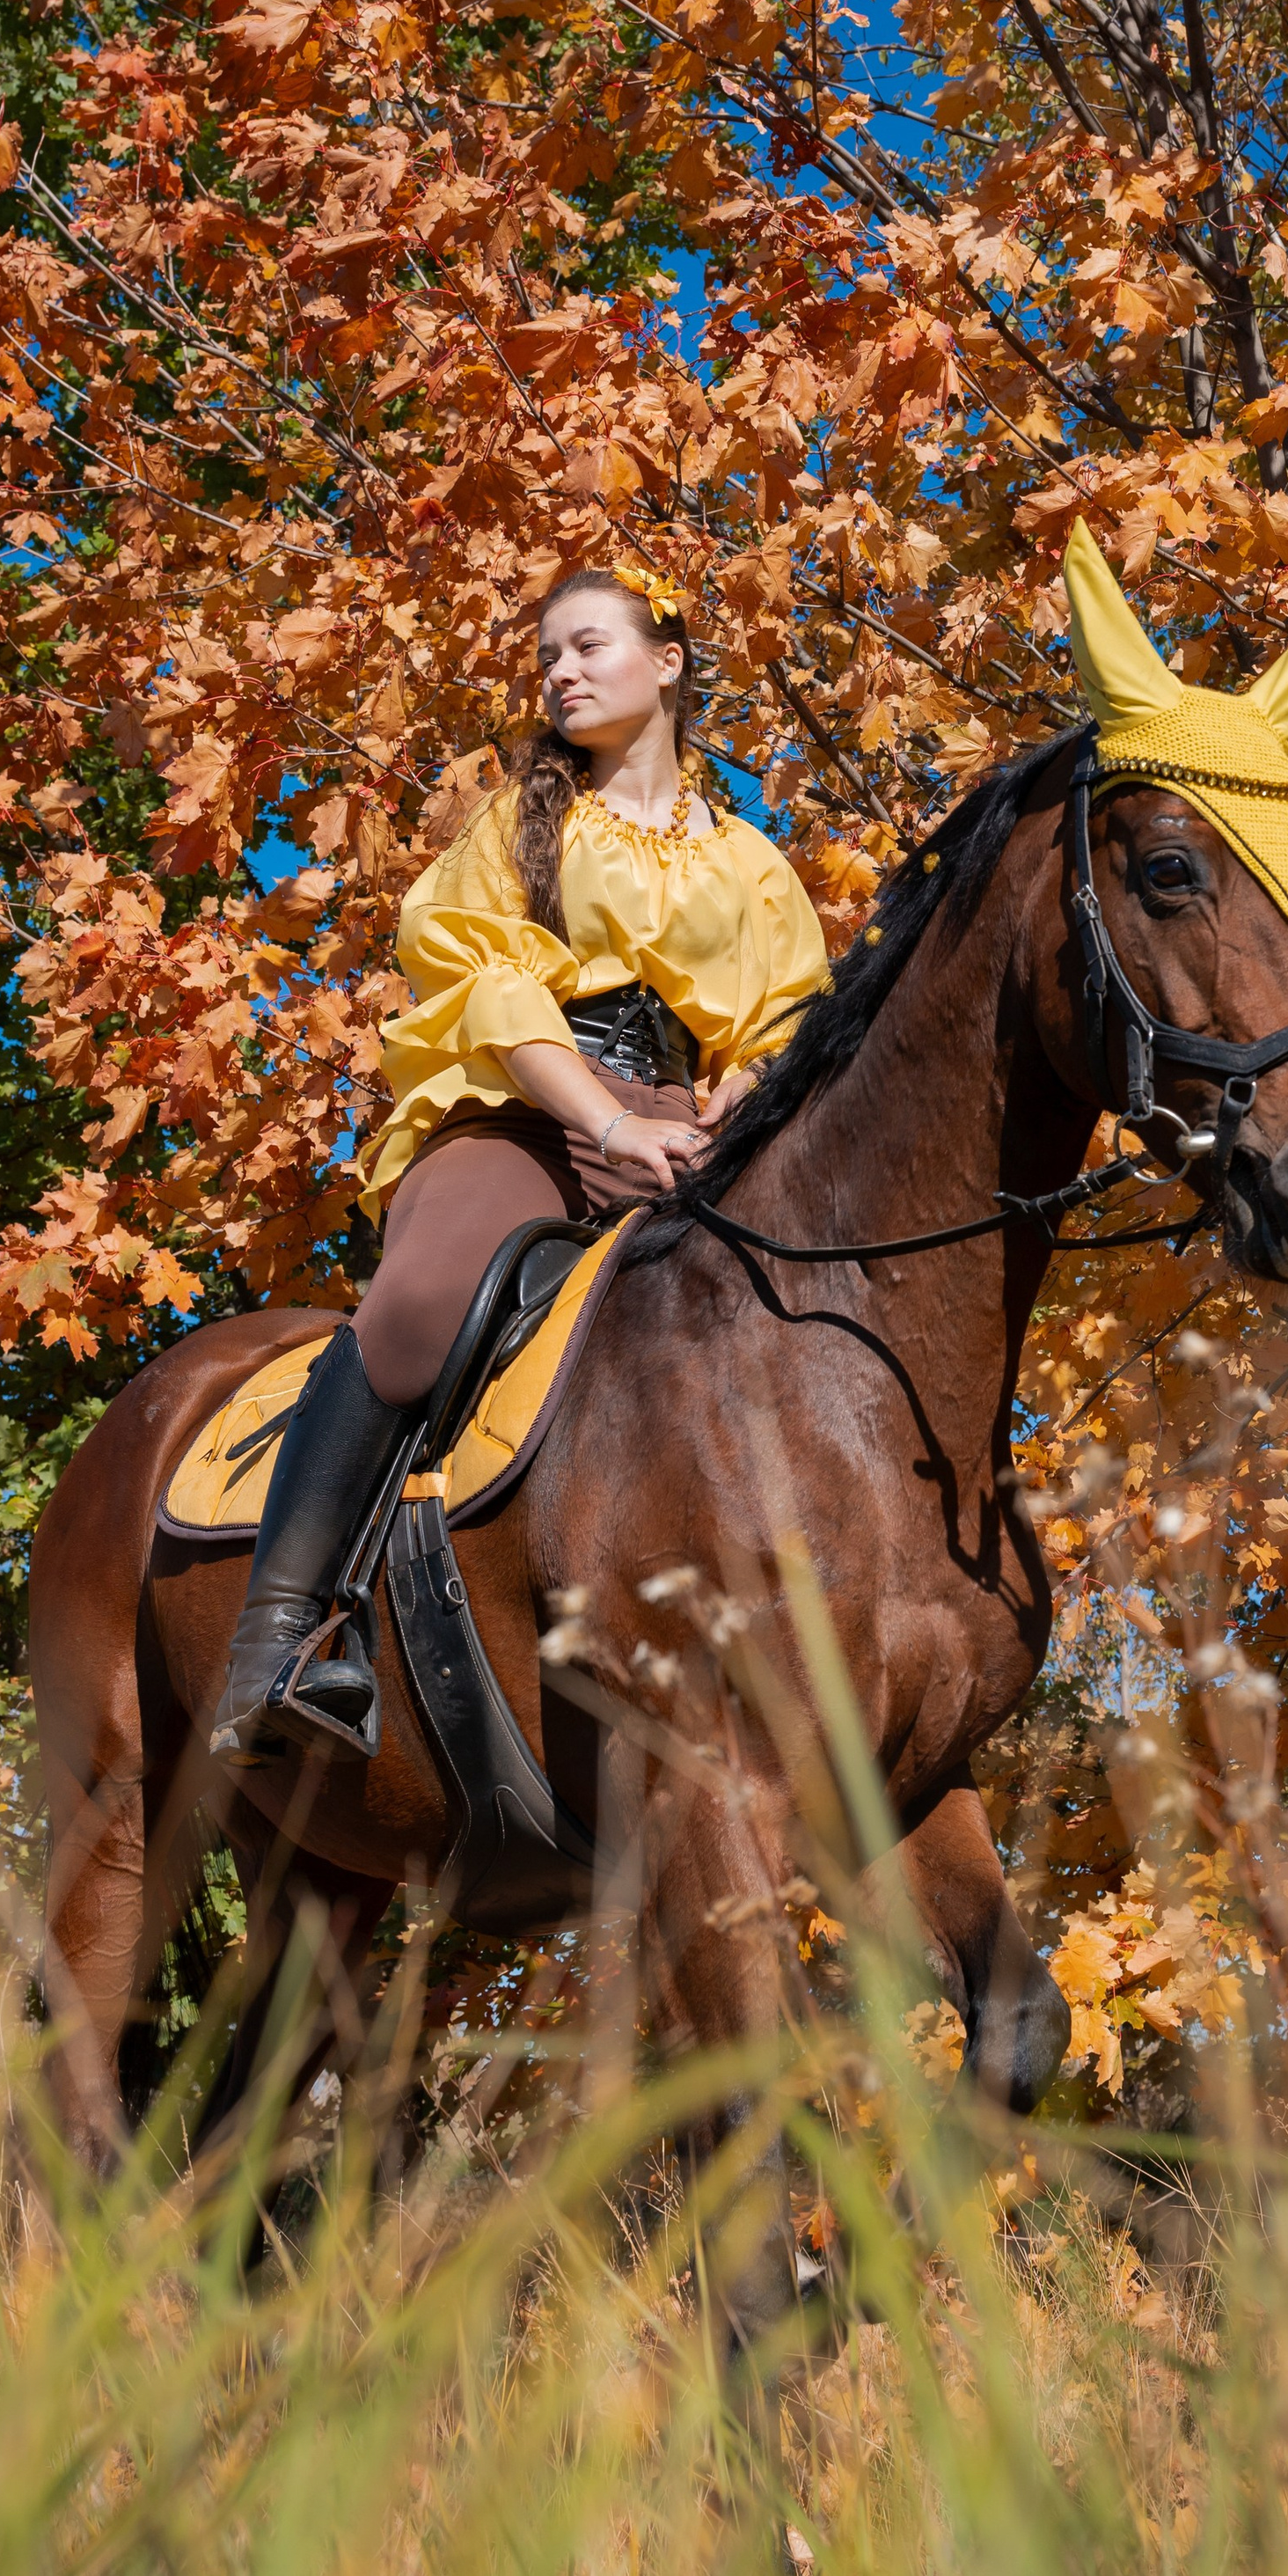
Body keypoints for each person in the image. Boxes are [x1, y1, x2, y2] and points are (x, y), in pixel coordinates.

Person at [210, 564, 831, 1767]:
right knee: (423, 1303)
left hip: (692, 1133)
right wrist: (608, 1126)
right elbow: (484, 980)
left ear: (669, 661)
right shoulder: (519, 824)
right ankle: (284, 1634)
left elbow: (780, 1022)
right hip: (528, 1107)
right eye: (550, 656)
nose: (562, 672)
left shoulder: (753, 860)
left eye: (589, 646)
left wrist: (723, 1126)